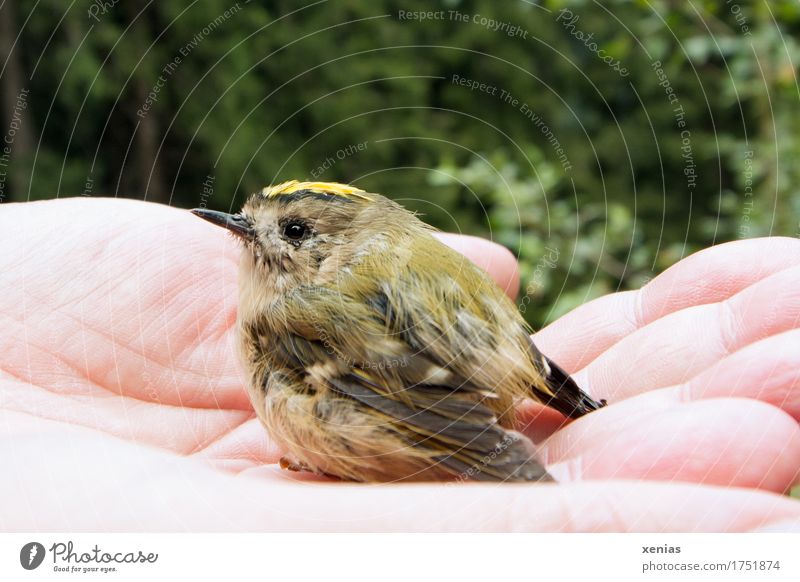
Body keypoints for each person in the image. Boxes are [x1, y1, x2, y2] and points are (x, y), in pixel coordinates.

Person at [0, 197, 798, 531]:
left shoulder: (290, 316)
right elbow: (478, 336)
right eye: (255, 223)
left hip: (424, 396)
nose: (259, 238)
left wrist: (483, 450)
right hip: (493, 359)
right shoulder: (414, 264)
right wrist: (558, 395)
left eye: (294, 231)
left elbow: (390, 392)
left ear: (334, 245)